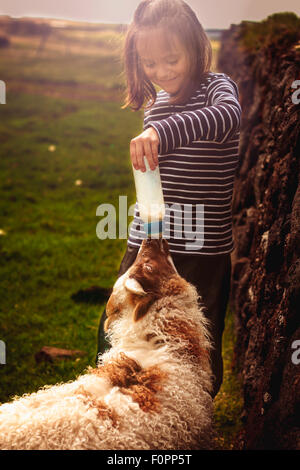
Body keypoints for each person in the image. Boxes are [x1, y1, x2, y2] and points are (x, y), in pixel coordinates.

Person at [97, 0, 241, 399]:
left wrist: (161, 134)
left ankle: (193, 421)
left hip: (201, 249)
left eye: (171, 59)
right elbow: (151, 186)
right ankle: (120, 414)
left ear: (196, 47)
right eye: (149, 63)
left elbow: (227, 117)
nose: (160, 72)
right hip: (149, 242)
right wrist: (135, 244)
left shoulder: (218, 90)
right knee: (118, 331)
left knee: (196, 344)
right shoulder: (155, 107)